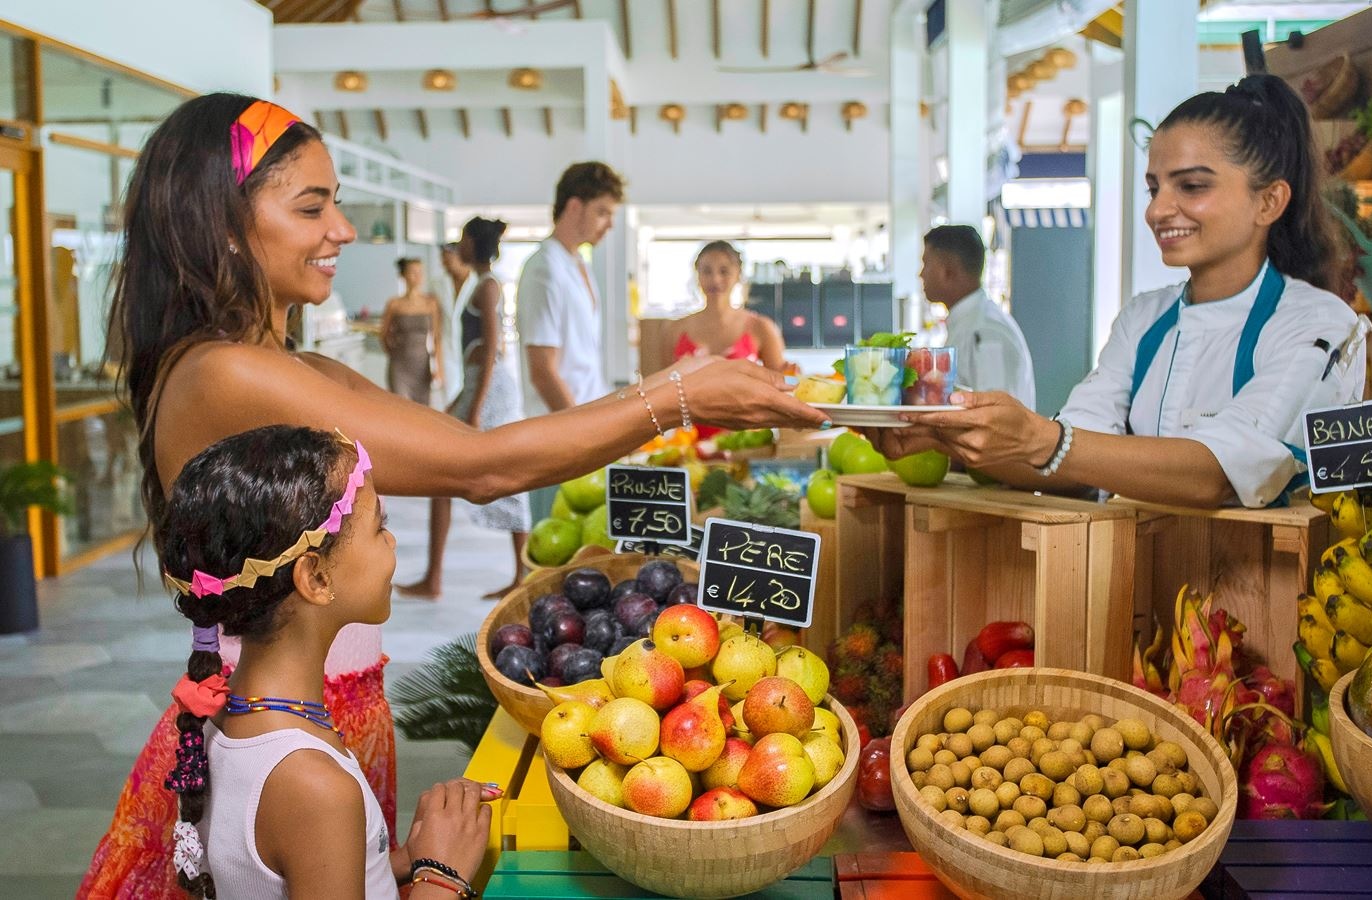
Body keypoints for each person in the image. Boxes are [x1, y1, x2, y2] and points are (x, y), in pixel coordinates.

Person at [80, 93, 823, 900]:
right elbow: (481, 467)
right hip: (288, 725)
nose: (344, 230)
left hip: (316, 705)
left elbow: (461, 444)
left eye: (339, 203)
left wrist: (679, 382)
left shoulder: (274, 360)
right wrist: (681, 401)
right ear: (223, 225)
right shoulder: (229, 373)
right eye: (312, 206)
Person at [876, 75, 1366, 510]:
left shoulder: (1318, 325)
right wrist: (943, 437)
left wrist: (1040, 438)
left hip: (1257, 601)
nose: (1158, 211)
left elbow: (1215, 474)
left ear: (1269, 200)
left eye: (1191, 186)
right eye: (1155, 189)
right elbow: (1071, 463)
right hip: (1134, 584)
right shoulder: (1143, 319)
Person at [157, 425, 489, 898]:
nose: (392, 544)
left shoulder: (229, 720)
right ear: (314, 576)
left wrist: (401, 859)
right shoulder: (311, 784)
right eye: (379, 526)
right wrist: (442, 873)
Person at [400, 217, 531, 601]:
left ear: (474, 243)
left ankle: (513, 575)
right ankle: (436, 578)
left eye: (462, 238)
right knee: (445, 479)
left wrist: (473, 407)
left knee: (500, 473)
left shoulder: (487, 286)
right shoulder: (479, 283)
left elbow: (491, 348)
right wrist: (463, 399)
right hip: (479, 387)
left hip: (489, 391)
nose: (458, 245)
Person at [518, 161, 623, 415]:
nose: (610, 225)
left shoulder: (579, 264)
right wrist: (582, 429)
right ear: (575, 207)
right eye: (602, 212)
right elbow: (543, 371)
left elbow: (583, 364)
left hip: (585, 418)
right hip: (559, 429)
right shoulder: (544, 269)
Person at [920, 224, 1036, 408]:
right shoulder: (969, 322)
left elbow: (996, 415)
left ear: (948, 271)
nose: (921, 274)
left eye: (926, 264)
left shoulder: (985, 331)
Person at [651, 240, 785, 373]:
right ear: (698, 275)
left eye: (724, 271)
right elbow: (663, 386)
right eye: (707, 271)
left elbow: (782, 382)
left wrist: (795, 376)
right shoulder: (674, 330)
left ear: (738, 275)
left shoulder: (761, 328)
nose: (715, 279)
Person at [378, 257, 442, 405]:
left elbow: (436, 337)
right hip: (399, 365)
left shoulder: (430, 303)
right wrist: (395, 353)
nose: (418, 276)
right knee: (401, 406)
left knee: (422, 410)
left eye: (420, 272)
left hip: (422, 365)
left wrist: (438, 368)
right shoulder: (394, 304)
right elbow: (384, 335)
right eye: (413, 272)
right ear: (403, 275)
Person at [436, 241, 474, 402]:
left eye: (448, 259)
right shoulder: (436, 284)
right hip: (447, 349)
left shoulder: (478, 281)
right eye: (443, 259)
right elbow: (435, 323)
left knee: (473, 395)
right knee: (450, 398)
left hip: (472, 347)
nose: (445, 264)